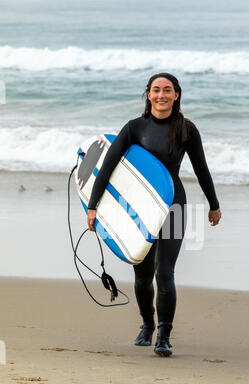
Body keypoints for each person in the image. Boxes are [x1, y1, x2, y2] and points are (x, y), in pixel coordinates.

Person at [87, 72, 222, 357]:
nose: (162, 95)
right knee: (142, 272)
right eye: (156, 90)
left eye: (168, 90)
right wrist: (93, 205)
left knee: (165, 271)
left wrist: (214, 204)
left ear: (176, 95)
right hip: (140, 210)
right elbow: (108, 166)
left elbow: (201, 168)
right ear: (148, 95)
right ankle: (147, 324)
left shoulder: (187, 129)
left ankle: (164, 335)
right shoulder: (134, 128)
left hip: (173, 206)